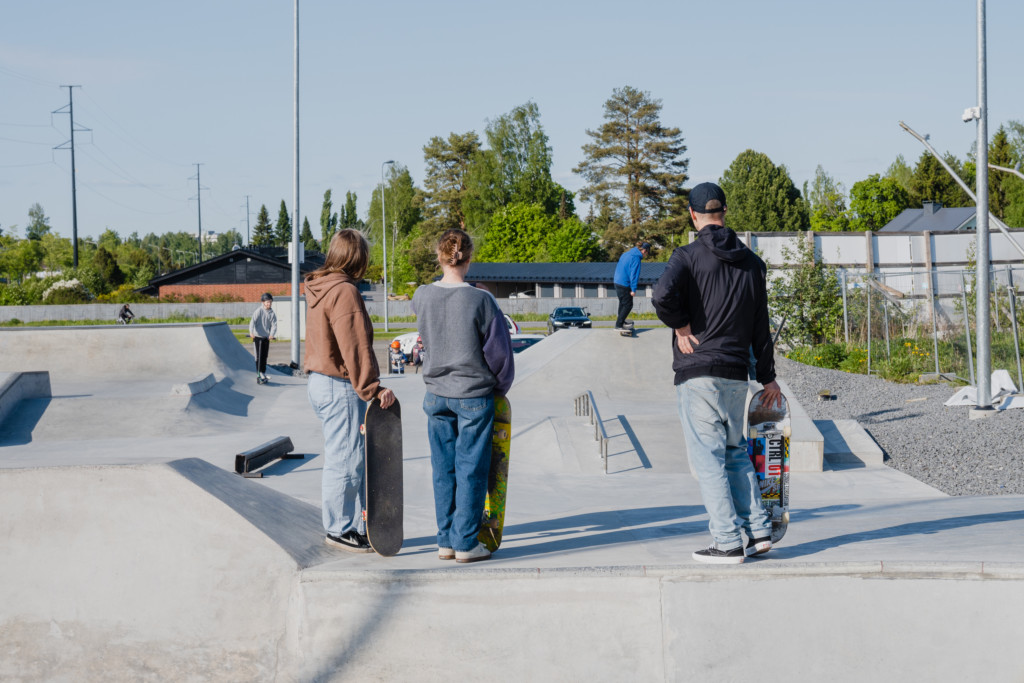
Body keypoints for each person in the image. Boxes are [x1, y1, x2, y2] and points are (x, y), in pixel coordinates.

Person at [652, 182, 782, 565]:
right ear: (724, 212)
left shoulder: (688, 256)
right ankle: (758, 531)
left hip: (699, 373)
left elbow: (661, 297)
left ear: (693, 215)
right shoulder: (752, 264)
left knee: (708, 459)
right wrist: (768, 376)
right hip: (736, 373)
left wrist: (680, 326)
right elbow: (761, 326)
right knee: (735, 452)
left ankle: (726, 541)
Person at [412, 228, 514, 564]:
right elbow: (499, 354)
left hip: (435, 395)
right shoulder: (481, 300)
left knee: (443, 469)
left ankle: (445, 541)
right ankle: (466, 543)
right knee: (471, 469)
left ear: (439, 257)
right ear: (468, 259)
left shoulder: (421, 295)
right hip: (472, 395)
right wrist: (499, 388)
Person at [304, 229, 396, 553]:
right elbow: (353, 346)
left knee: (346, 456)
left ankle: (353, 525)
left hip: (319, 382)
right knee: (345, 459)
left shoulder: (319, 287)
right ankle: (340, 528)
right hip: (340, 386)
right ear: (359, 257)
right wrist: (372, 388)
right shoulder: (344, 292)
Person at [613, 241, 651, 330]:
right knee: (628, 305)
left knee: (623, 303)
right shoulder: (636, 258)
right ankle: (618, 325)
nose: (646, 256)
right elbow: (634, 275)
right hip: (625, 283)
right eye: (647, 253)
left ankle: (621, 322)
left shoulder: (625, 254)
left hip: (617, 281)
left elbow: (619, 266)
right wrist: (633, 289)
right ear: (644, 251)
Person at [249, 293, 277, 384]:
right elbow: (252, 322)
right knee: (259, 356)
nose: (269, 304)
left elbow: (274, 325)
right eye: (268, 302)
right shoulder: (259, 311)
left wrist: (272, 334)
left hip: (266, 337)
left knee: (265, 356)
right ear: (263, 302)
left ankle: (263, 373)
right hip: (257, 337)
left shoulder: (272, 313)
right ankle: (258, 374)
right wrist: (251, 332)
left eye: (270, 302)